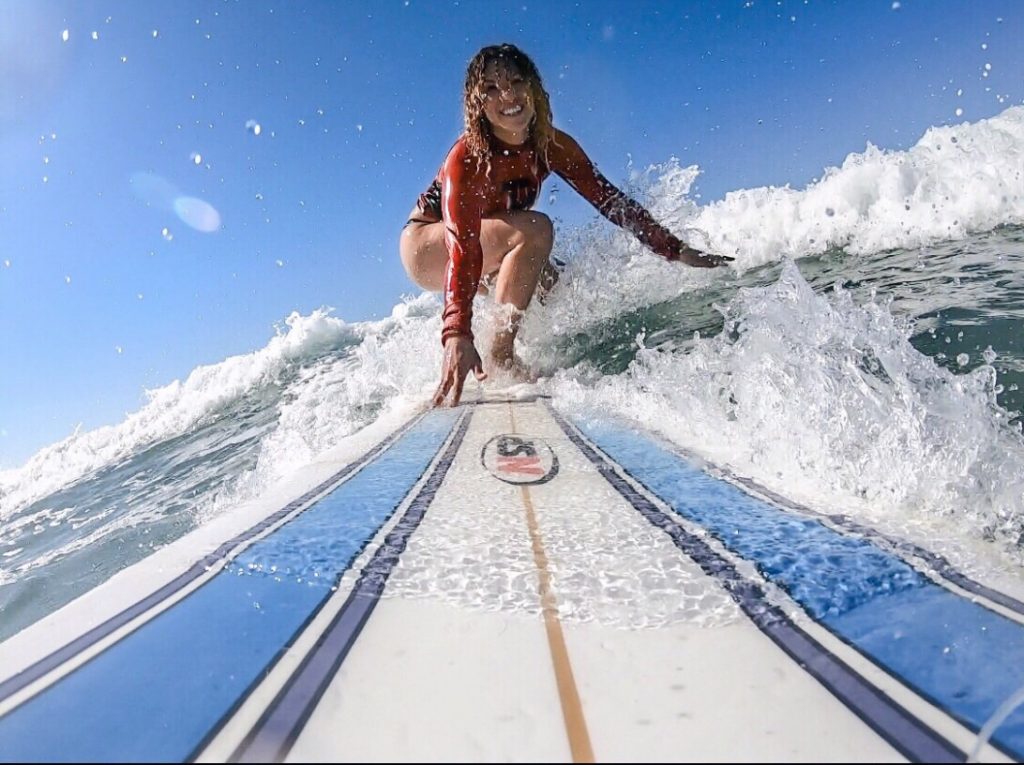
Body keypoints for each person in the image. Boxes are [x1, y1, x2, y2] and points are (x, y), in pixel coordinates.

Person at [399, 43, 732, 407]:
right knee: (535, 230)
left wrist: (674, 249)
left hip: (485, 242)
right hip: (427, 245)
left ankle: (512, 352)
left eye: (515, 81)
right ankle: (501, 356)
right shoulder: (467, 157)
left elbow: (611, 201)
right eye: (491, 89)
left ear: (534, 88)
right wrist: (456, 332)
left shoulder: (552, 145)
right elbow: (463, 245)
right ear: (478, 104)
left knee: (550, 281)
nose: (507, 95)